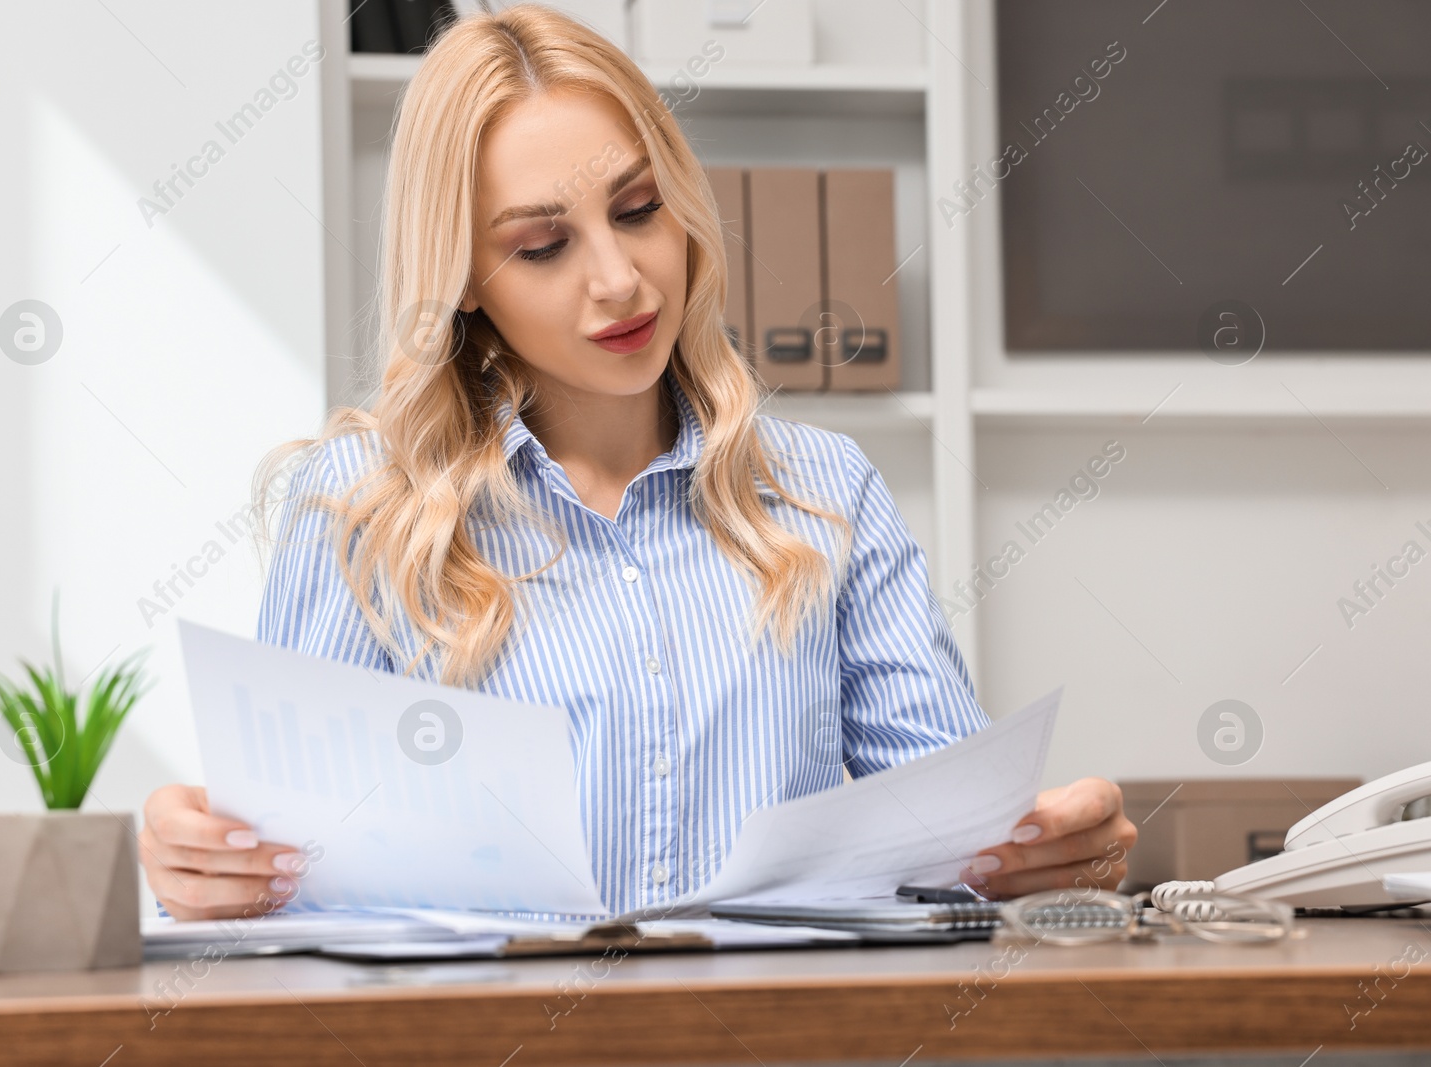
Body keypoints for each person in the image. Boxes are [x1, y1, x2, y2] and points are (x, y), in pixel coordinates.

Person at [139, 3, 1136, 922]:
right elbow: (298, 890)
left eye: (636, 208)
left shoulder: (826, 493)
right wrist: (213, 863)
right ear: (464, 279)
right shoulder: (363, 506)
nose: (619, 281)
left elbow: (956, 847)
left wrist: (1044, 852)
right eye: (541, 245)